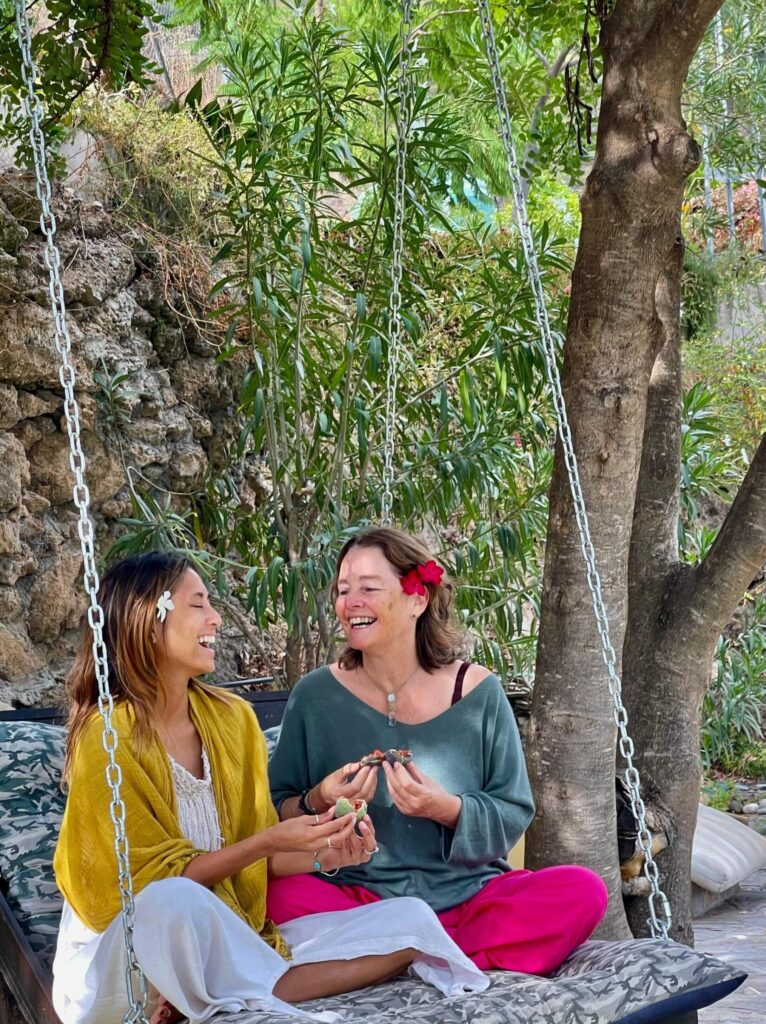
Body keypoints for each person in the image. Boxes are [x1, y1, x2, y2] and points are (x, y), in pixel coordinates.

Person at [52, 552, 488, 1024]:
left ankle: (230, 990)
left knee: (412, 919)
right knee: (173, 900)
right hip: (130, 951)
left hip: (228, 936)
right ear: (147, 620)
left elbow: (260, 859)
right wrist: (269, 840)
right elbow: (135, 888)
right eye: (198, 604)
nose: (215, 618)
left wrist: (329, 855)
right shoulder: (108, 733)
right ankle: (225, 985)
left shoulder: (232, 719)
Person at [268, 527, 608, 975]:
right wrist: (318, 800)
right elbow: (277, 811)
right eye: (342, 590)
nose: (350, 603)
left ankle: (397, 957)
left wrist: (447, 809)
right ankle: (430, 956)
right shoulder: (315, 696)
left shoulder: (479, 692)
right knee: (272, 893)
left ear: (417, 598)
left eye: (369, 588)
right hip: (358, 902)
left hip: (467, 900)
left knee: (582, 890)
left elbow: (512, 810)